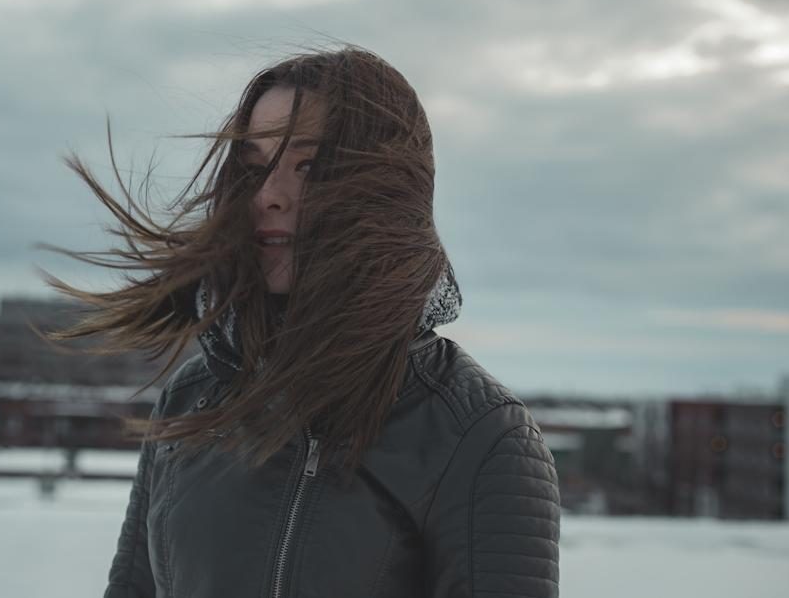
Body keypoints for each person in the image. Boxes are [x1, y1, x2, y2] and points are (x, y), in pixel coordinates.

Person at [44, 47, 560, 597]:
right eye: (254, 168)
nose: (268, 197)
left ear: (388, 191)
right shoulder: (191, 397)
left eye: (309, 167)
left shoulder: (479, 437)